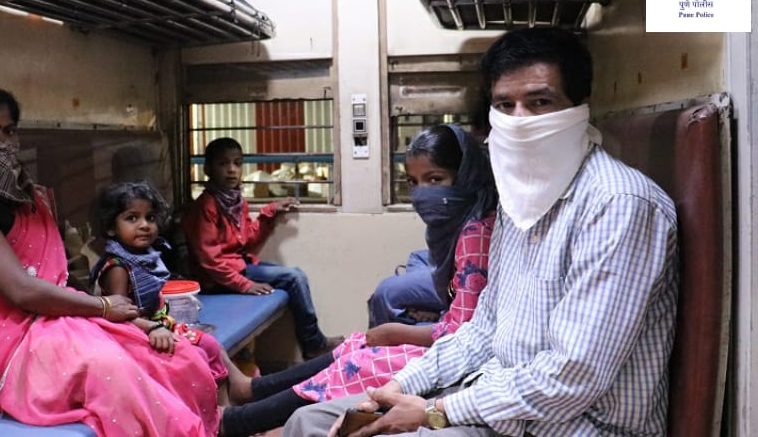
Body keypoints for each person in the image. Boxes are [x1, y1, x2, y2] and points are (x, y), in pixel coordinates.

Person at [284, 27, 679, 437]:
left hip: (570, 425)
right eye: (504, 105)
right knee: (309, 420)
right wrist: (400, 386)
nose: (519, 121)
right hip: (496, 397)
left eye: (540, 102)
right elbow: (484, 327)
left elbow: (572, 377)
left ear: (580, 106)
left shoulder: (618, 206)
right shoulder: (520, 202)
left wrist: (435, 411)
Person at [0, 85, 220, 436]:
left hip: (54, 320)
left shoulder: (28, 200)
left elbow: (60, 280)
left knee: (173, 355)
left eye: (8, 131)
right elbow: (21, 290)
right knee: (111, 367)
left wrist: (139, 324)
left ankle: (223, 420)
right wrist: (104, 307)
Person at [219, 124, 496, 437]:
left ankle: (241, 420)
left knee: (363, 361)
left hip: (464, 352)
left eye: (435, 180)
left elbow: (462, 331)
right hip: (454, 338)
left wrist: (394, 332)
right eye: (414, 183)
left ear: (465, 176)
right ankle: (251, 390)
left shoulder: (475, 233)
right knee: (357, 344)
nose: (423, 194)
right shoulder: (456, 223)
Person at [90, 180, 254, 405]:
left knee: (211, 344)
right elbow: (118, 318)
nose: (144, 225)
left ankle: (226, 406)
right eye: (132, 218)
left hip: (159, 326)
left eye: (150, 218)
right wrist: (154, 328)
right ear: (110, 227)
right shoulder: (118, 267)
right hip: (135, 336)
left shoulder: (146, 256)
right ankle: (216, 414)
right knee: (196, 357)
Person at [182, 137, 344, 359]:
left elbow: (246, 239)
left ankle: (313, 342)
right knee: (294, 277)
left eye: (237, 163)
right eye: (223, 164)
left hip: (239, 266)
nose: (231, 170)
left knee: (294, 276)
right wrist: (245, 285)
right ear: (208, 168)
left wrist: (270, 212)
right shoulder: (205, 207)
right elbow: (209, 261)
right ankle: (313, 344)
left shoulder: (236, 201)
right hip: (217, 280)